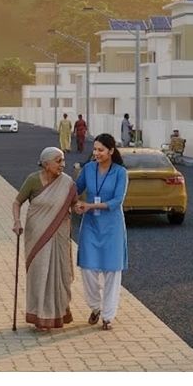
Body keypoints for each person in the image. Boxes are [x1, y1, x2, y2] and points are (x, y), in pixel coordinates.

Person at [12, 147, 79, 332]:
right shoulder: (33, 180)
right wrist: (17, 221)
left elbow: (74, 204)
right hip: (37, 234)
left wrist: (80, 207)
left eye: (63, 160)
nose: (63, 165)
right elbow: (17, 202)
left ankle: (58, 313)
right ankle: (40, 315)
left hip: (59, 233)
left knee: (61, 273)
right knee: (39, 273)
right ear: (46, 163)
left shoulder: (67, 183)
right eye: (58, 161)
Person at [73, 133, 129, 331]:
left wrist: (90, 206)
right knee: (88, 268)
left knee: (112, 271)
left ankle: (107, 316)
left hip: (112, 226)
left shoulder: (120, 172)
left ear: (111, 151)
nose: (96, 153)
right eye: (95, 149)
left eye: (100, 150)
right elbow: (75, 189)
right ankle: (95, 307)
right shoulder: (88, 169)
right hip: (90, 225)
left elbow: (117, 200)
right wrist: (75, 203)